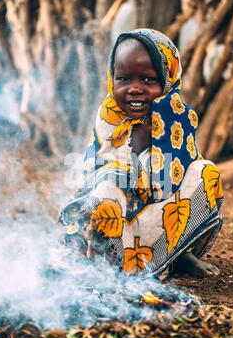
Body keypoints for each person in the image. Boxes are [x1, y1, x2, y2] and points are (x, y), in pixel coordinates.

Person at [60, 28, 223, 279]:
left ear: (168, 80)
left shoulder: (177, 117)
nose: (134, 89)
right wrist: (136, 146)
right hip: (115, 224)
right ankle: (101, 263)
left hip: (156, 215)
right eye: (124, 79)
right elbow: (97, 175)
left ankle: (176, 255)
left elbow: (167, 185)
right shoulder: (110, 115)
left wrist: (156, 143)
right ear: (112, 78)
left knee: (206, 173)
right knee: (109, 186)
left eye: (148, 80)